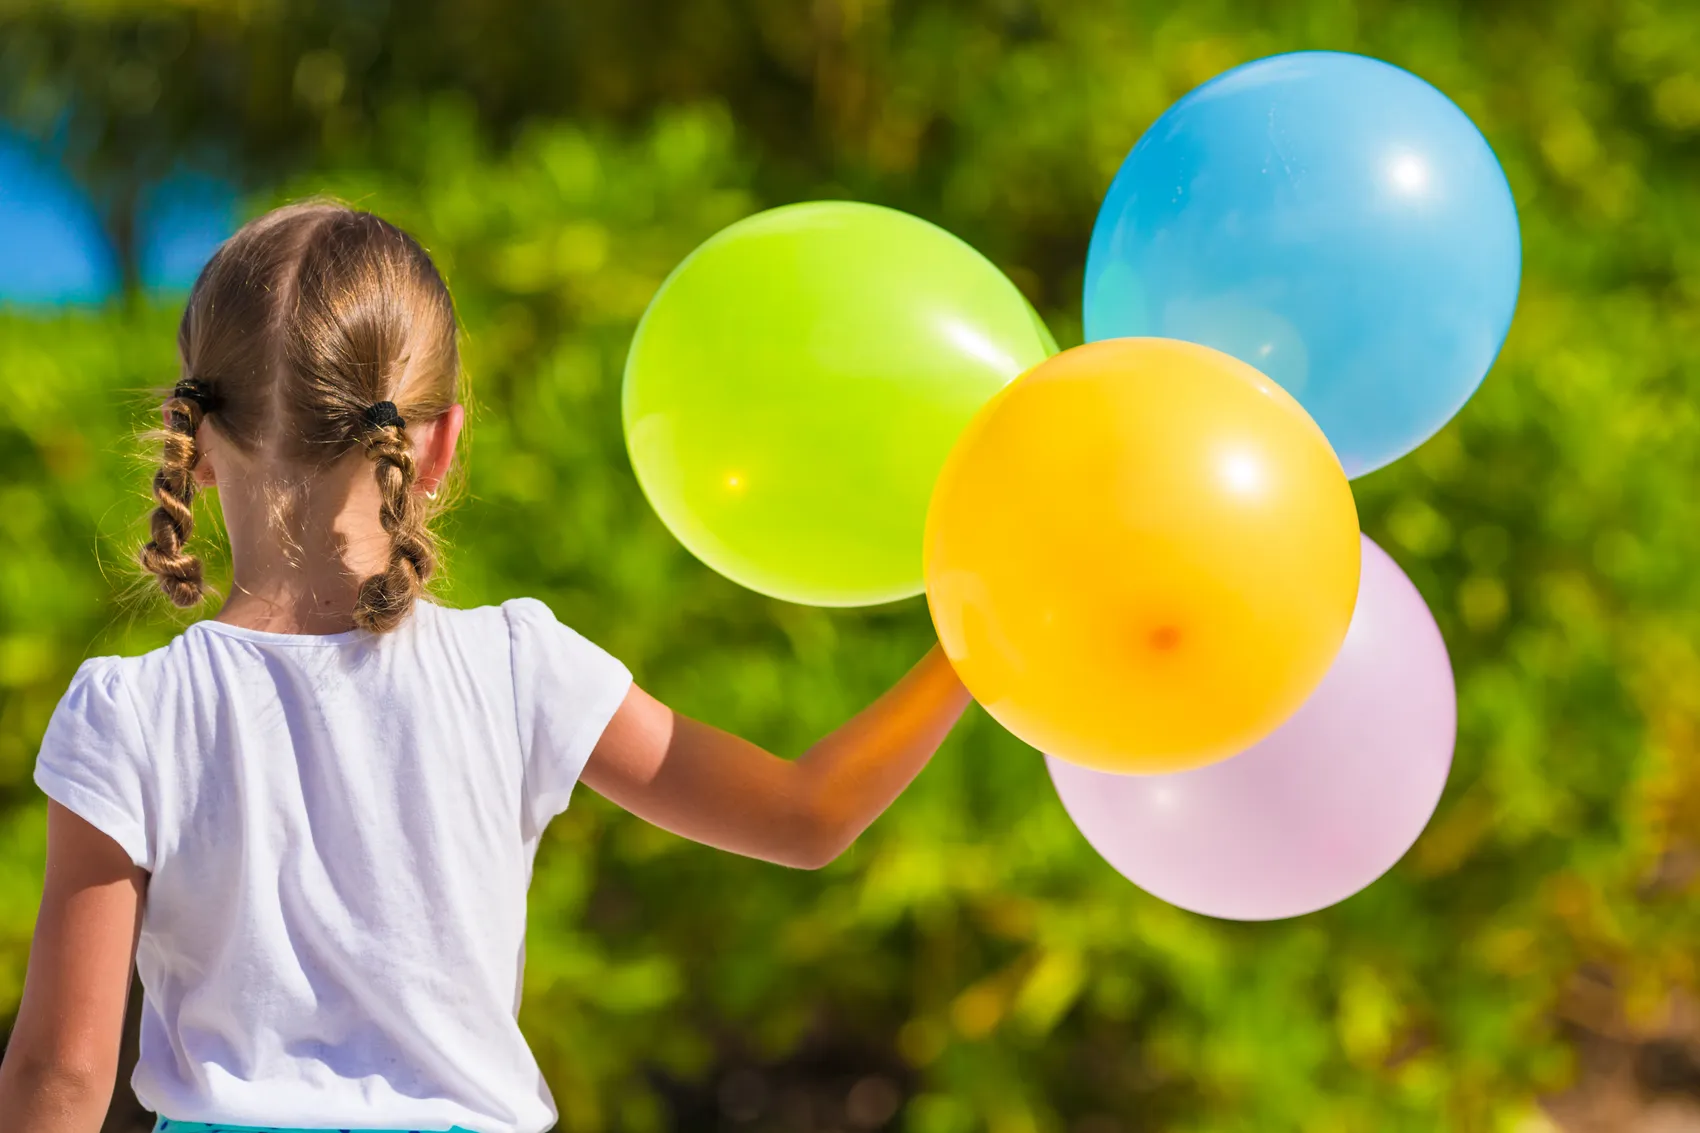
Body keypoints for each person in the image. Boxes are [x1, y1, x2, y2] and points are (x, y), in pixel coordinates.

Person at [0, 201, 971, 1133]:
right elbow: (806, 815)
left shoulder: (129, 711)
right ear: (439, 446)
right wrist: (977, 633)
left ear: (194, 442)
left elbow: (62, 1070)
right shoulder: (517, 666)